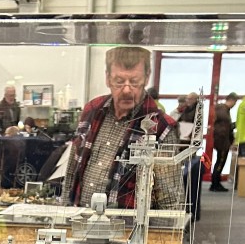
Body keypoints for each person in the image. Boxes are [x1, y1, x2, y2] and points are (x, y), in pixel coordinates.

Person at [63, 46, 180, 210]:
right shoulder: (92, 110)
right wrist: (64, 212)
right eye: (119, 81)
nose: (126, 90)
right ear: (107, 78)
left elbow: (169, 200)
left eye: (134, 82)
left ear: (146, 78)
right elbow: (72, 170)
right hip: (79, 218)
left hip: (127, 224)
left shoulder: (161, 128)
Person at [209, 93, 237, 191]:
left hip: (221, 140)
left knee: (219, 162)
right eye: (235, 102)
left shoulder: (222, 110)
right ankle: (215, 184)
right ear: (232, 100)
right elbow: (225, 129)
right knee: (220, 162)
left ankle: (215, 183)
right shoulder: (223, 111)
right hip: (223, 141)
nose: (234, 105)